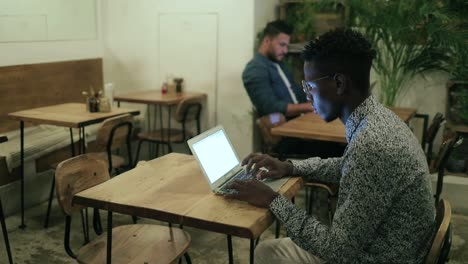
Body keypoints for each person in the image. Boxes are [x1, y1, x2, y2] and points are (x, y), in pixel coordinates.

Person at [227, 28, 436, 263]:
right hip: (391, 248)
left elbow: (337, 250)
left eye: (309, 87)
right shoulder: (378, 119)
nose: (307, 97)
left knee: (268, 253)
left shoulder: (372, 143)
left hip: (377, 257)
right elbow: (349, 166)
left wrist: (273, 200)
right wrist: (289, 167)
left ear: (338, 83)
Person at [242, 20, 313, 118]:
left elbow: (296, 93)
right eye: (282, 45)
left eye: (286, 46)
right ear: (267, 41)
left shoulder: (278, 64)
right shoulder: (255, 69)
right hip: (283, 129)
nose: (285, 51)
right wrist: (307, 107)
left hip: (302, 121)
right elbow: (270, 108)